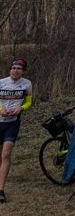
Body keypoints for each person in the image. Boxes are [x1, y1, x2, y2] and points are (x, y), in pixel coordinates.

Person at [0, 58, 33, 202]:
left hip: (12, 123)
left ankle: (1, 190)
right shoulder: (1, 82)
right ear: (10, 69)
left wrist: (22, 108)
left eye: (19, 69)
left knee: (6, 154)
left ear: (23, 71)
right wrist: (0, 109)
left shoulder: (27, 84)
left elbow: (29, 101)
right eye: (13, 68)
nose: (15, 71)